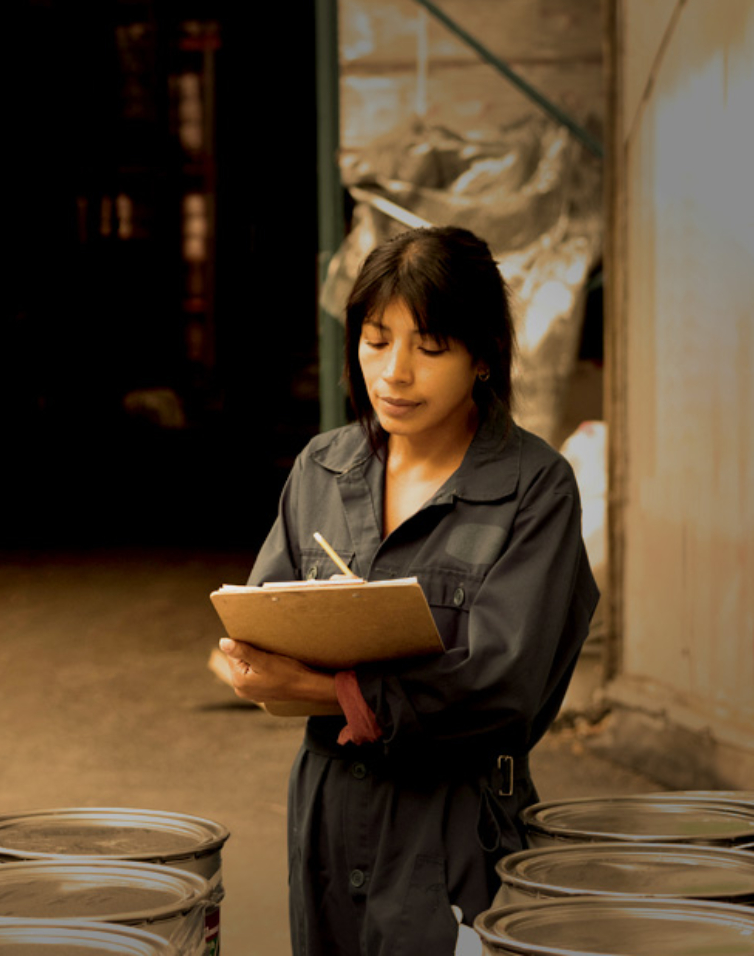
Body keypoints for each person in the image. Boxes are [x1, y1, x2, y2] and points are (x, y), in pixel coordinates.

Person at [217, 225, 598, 954]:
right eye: (375, 338)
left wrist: (334, 688)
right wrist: (278, 670)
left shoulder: (534, 489)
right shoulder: (322, 469)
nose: (393, 373)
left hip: (454, 814)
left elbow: (501, 684)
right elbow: (259, 641)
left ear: (483, 356)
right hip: (329, 805)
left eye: (428, 347)